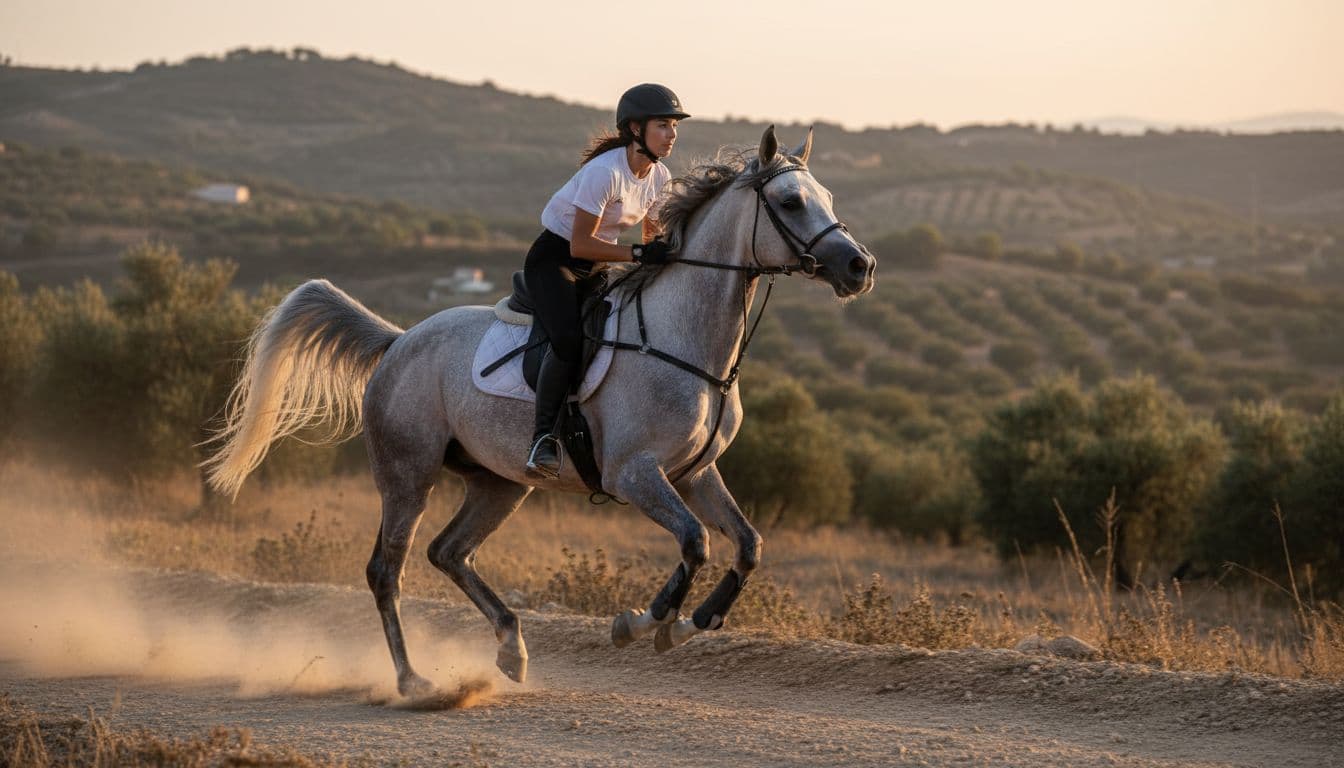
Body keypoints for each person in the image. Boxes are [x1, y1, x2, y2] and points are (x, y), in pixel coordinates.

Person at [523, 83, 690, 479]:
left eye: (674, 127)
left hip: (598, 264)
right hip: (556, 261)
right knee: (568, 340)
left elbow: (651, 238)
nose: (672, 135)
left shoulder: (659, 175)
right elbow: (581, 244)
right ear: (635, 129)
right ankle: (542, 439)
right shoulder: (604, 172)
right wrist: (635, 254)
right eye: (663, 126)